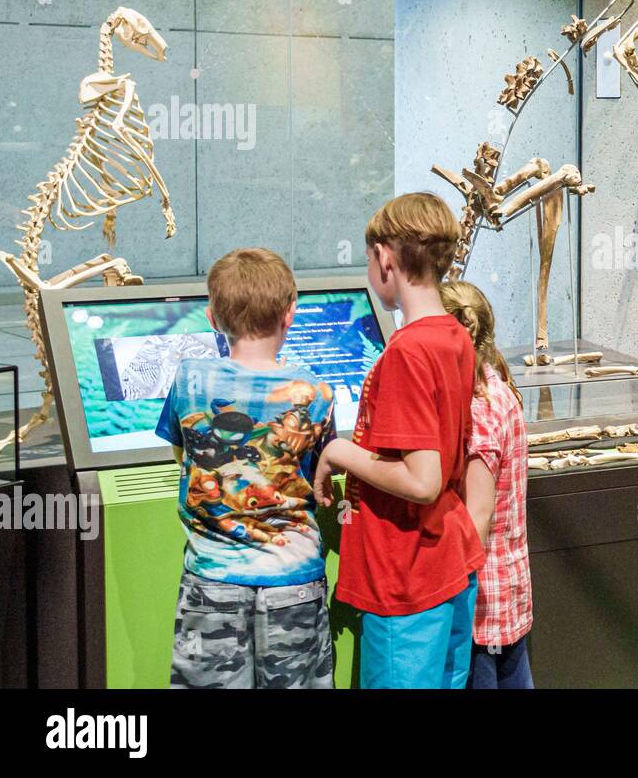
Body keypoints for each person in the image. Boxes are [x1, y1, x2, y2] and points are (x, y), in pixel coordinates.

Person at [313, 192, 484, 689]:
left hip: (406, 576)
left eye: (369, 258)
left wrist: (340, 451)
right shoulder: (454, 335)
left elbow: (423, 480)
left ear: (385, 257)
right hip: (447, 562)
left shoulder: (407, 351)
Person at [157, 247, 337, 689]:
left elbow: (182, 454)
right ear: (289, 313)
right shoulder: (316, 392)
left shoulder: (189, 379)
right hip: (293, 583)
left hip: (211, 582)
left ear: (212, 317)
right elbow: (318, 477)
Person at [442, 281, 535, 689]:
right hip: (506, 590)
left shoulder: (477, 407)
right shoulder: (498, 389)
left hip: (483, 602)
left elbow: (477, 516)